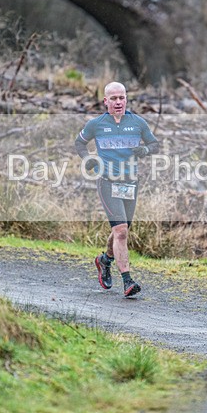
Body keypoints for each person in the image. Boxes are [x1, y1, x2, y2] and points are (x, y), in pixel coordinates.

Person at [75, 82, 159, 297]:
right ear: (105, 101)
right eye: (113, 98)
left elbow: (155, 144)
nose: (118, 102)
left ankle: (105, 261)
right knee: (120, 231)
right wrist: (88, 160)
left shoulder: (138, 122)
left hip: (131, 183)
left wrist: (144, 149)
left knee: (120, 231)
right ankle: (127, 280)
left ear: (126, 99)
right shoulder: (96, 124)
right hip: (107, 182)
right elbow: (79, 143)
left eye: (121, 97)